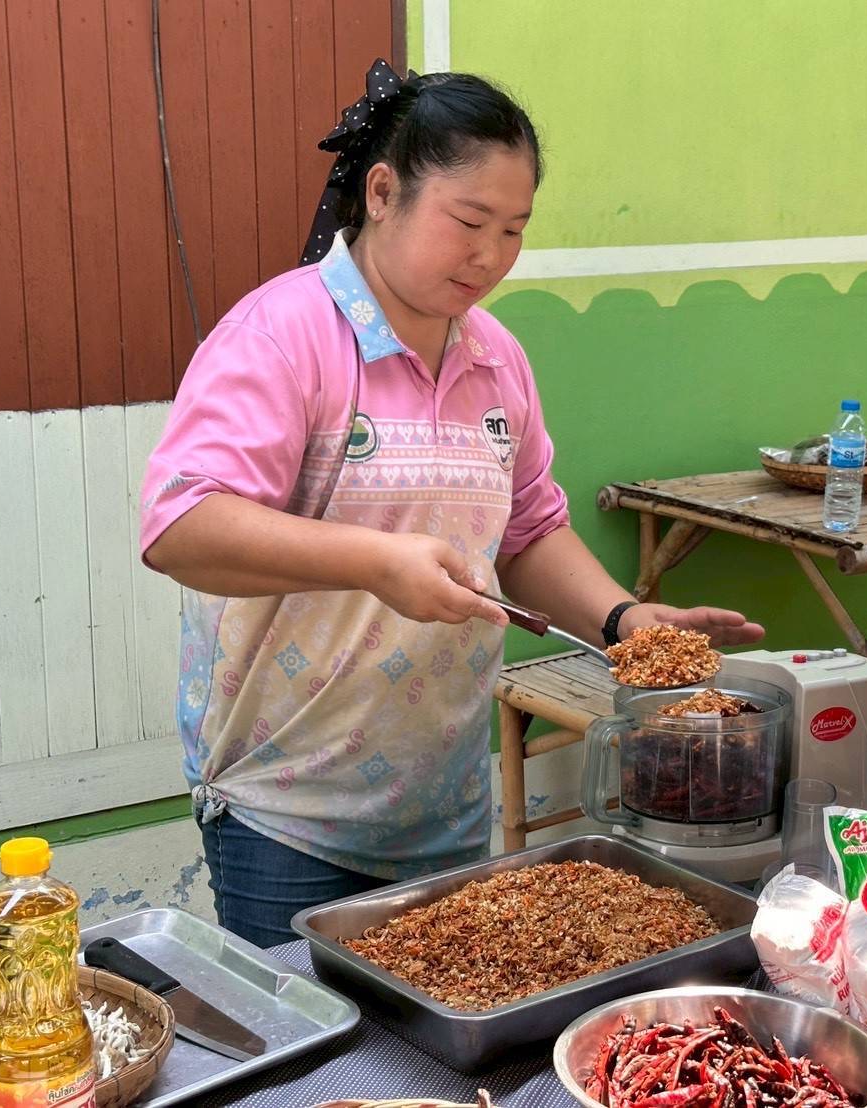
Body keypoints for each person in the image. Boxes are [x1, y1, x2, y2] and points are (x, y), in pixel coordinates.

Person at [138, 60, 764, 947]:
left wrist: (625, 621)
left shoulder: (496, 358)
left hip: (448, 802)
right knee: (321, 1076)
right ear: (383, 193)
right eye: (468, 222)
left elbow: (531, 527)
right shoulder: (283, 335)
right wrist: (376, 560)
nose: (490, 256)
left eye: (513, 231)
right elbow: (180, 526)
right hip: (290, 808)